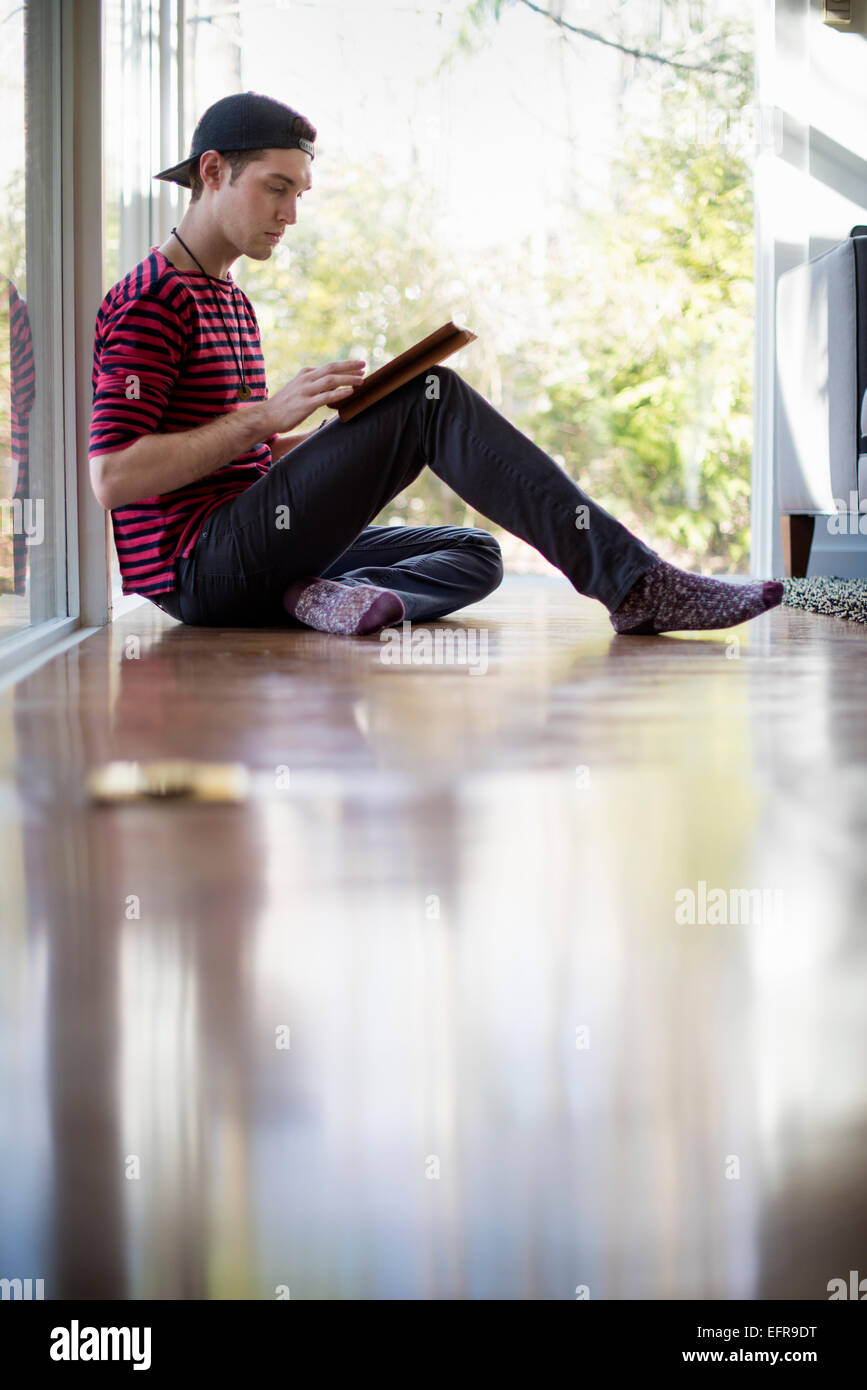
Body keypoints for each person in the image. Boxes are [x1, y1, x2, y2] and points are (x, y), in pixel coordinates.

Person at [88, 91, 783, 638]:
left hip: (248, 543)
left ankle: (321, 598)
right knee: (431, 397)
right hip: (200, 568)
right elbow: (114, 478)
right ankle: (636, 586)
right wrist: (269, 416)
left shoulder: (229, 299)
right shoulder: (151, 299)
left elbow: (239, 457)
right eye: (276, 188)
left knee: (471, 552)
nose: (290, 214)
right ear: (213, 171)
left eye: (299, 193)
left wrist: (343, 439)